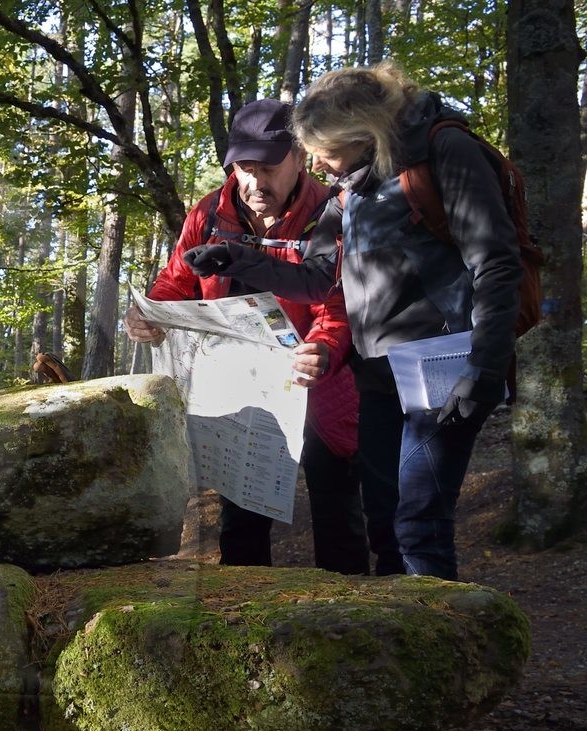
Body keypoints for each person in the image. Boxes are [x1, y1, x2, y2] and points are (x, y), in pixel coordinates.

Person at [184, 64, 522, 581]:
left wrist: (485, 367)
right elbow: (320, 277)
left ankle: (438, 649)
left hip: (445, 365)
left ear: (365, 133)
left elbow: (496, 263)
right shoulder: (350, 188)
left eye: (324, 148)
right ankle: (398, 643)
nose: (317, 162)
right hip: (380, 376)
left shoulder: (445, 151)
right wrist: (236, 260)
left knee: (419, 525)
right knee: (386, 523)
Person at [125, 98, 371, 575]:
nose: (255, 181)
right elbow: (177, 282)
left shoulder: (332, 213)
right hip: (242, 386)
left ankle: (346, 617)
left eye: (268, 167)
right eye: (243, 167)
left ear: (299, 157)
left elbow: (338, 304)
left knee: (337, 505)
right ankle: (242, 619)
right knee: (241, 510)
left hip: (320, 381)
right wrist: (150, 315)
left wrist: (321, 349)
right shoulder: (212, 212)